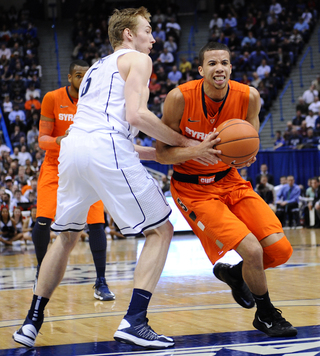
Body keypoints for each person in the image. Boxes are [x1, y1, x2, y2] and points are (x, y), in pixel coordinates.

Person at [13, 7, 216, 350]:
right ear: (128, 35)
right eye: (148, 31)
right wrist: (187, 142)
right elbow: (135, 116)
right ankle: (135, 320)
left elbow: (106, 132)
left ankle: (32, 321)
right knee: (161, 229)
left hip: (74, 150)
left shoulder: (96, 67)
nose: (153, 37)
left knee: (64, 237)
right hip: (103, 148)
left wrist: (159, 153)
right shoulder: (138, 60)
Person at [156, 42, 297, 338]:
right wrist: (197, 150)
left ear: (231, 68)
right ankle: (266, 314)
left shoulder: (249, 97)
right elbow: (162, 155)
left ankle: (234, 273)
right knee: (253, 250)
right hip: (193, 189)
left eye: (224, 62)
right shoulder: (179, 98)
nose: (218, 68)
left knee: (280, 250)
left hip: (230, 180)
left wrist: (245, 153)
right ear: (201, 70)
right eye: (212, 63)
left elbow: (249, 141)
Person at [29, 60, 115, 302]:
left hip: (87, 168)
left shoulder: (99, 100)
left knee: (97, 223)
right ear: (70, 77)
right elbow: (42, 139)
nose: (83, 80)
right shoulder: (52, 98)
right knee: (43, 221)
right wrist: (60, 141)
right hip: (55, 166)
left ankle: (101, 282)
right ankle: (40, 271)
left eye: (87, 76)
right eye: (78, 75)